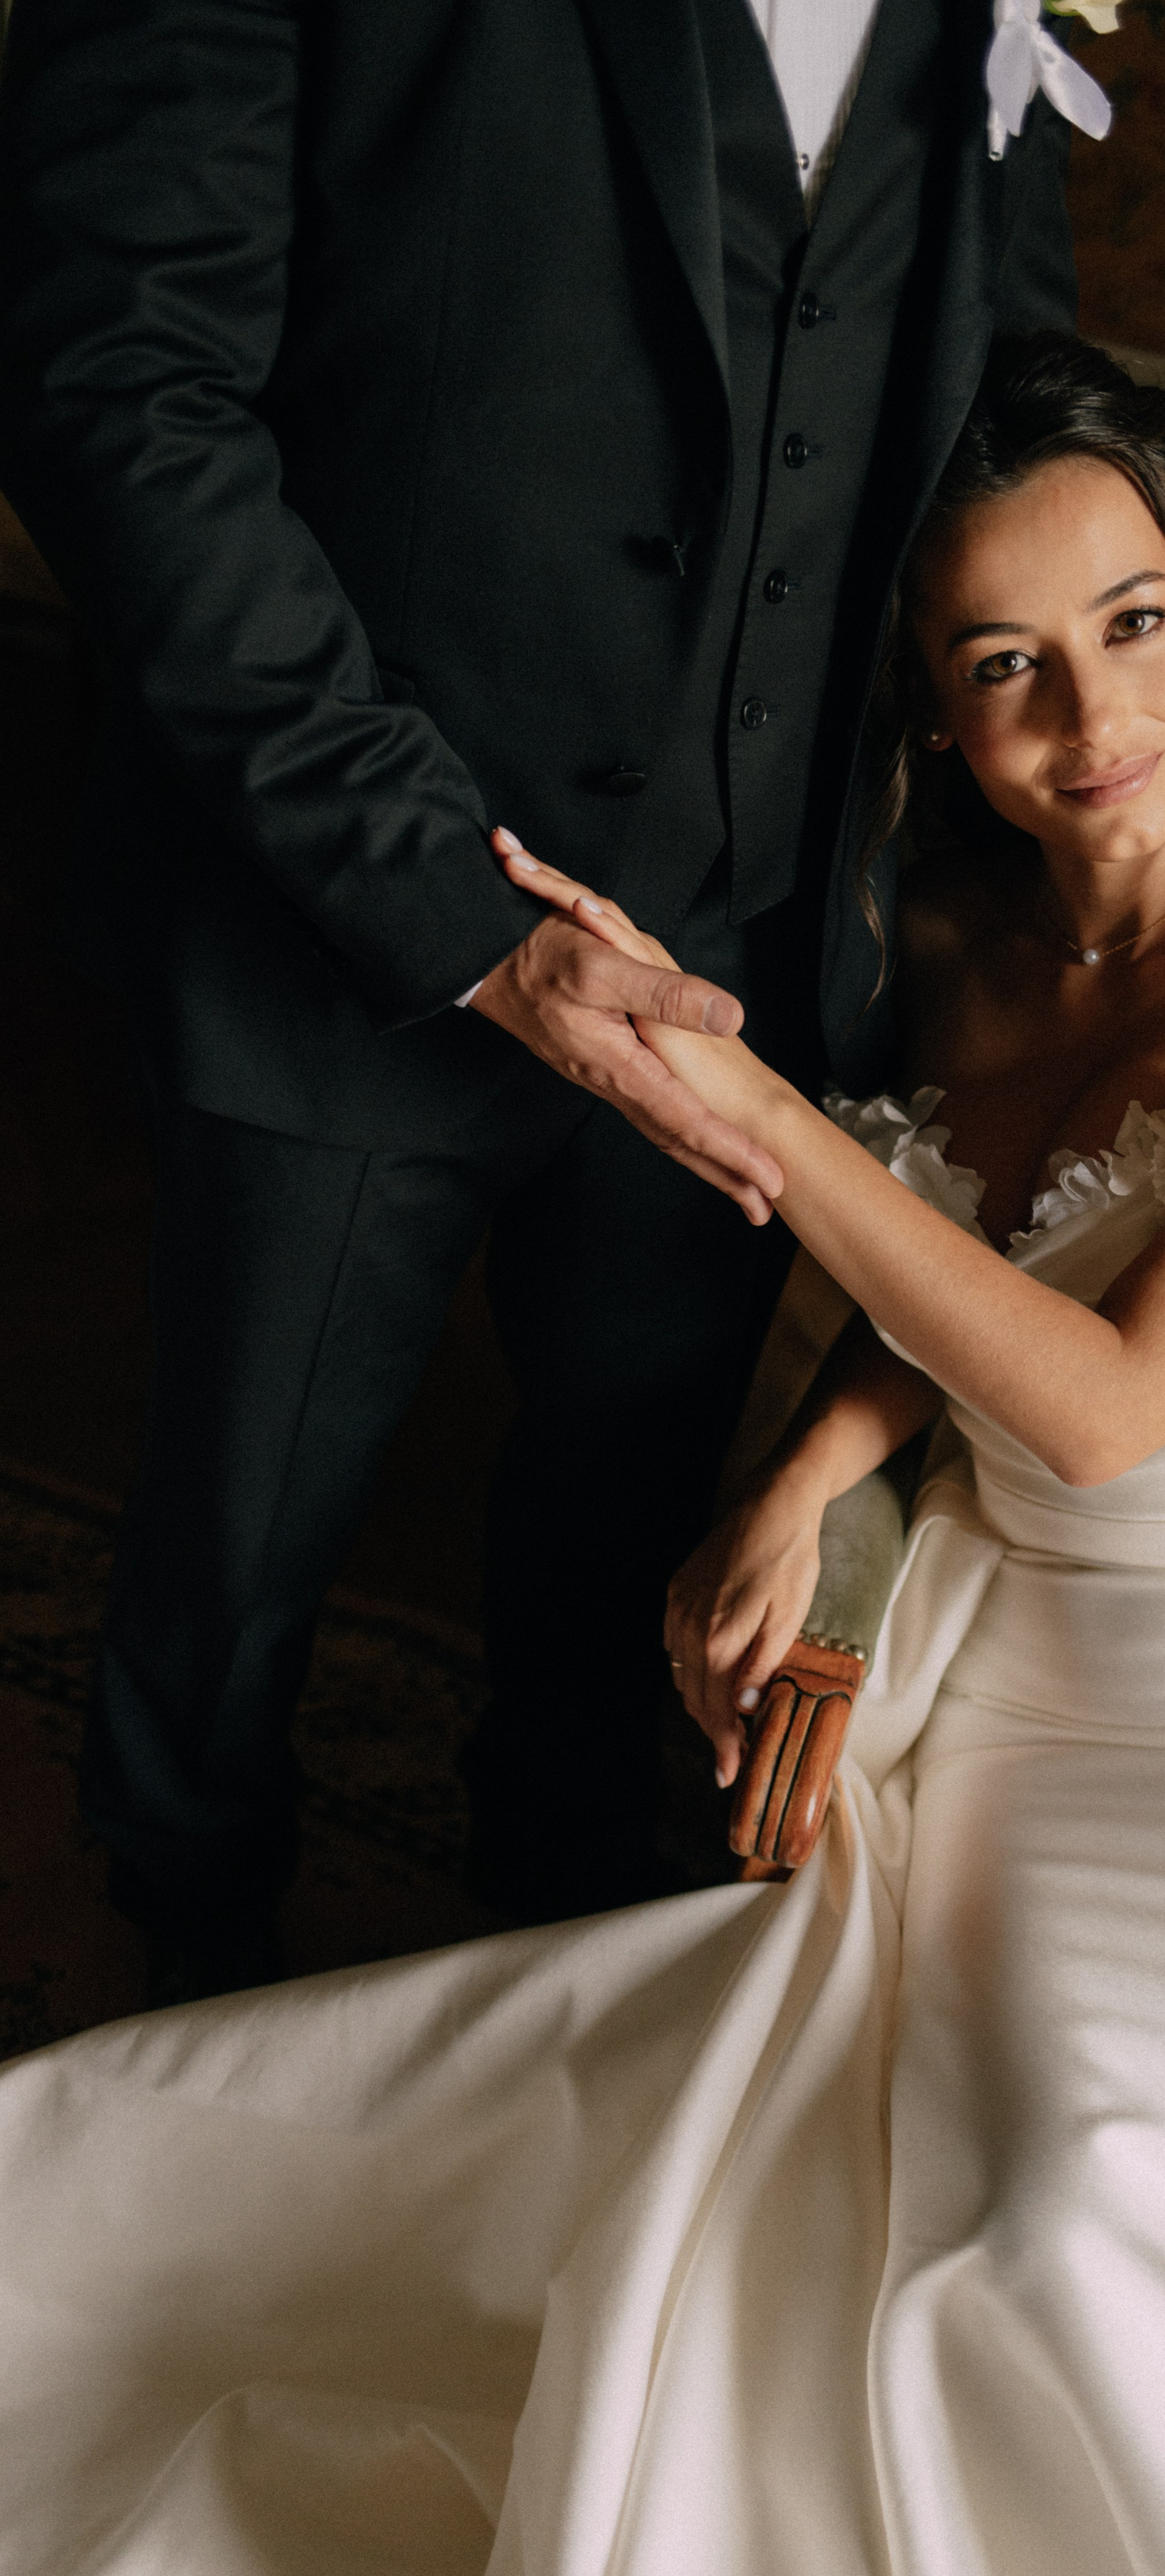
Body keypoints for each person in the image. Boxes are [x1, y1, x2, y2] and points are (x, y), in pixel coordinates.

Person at [4, 335, 1165, 2569]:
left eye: (1131, 627)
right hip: (1015, 1675)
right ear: (932, 708)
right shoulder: (956, 944)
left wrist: (754, 1118)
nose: (1093, 718)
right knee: (934, 2175)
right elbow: (986, 1264)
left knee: (1102, 2210)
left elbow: (1106, 1407)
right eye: (1004, 665)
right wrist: (818, 1463)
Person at [0, 0, 1080, 1991]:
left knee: (629, 1554)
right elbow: (116, 382)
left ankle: (540, 1999)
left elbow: (999, 390)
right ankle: (167, 1987)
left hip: (752, 956)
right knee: (233, 1556)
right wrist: (452, 907)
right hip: (340, 930)